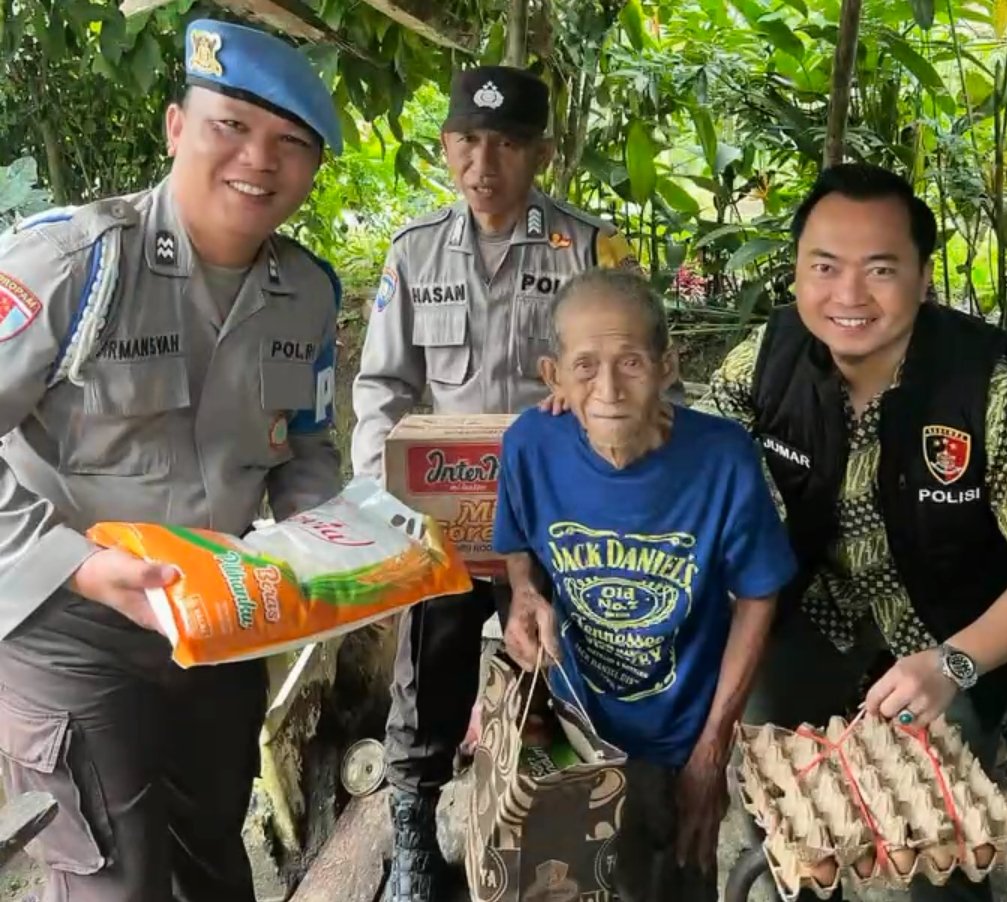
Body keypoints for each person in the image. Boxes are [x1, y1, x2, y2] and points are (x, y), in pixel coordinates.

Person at [0, 20, 342, 902]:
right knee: (116, 878)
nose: (259, 161)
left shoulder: (304, 292)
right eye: (231, 125)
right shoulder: (71, 264)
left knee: (213, 857)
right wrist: (78, 566)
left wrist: (334, 542)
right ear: (175, 127)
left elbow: (302, 443)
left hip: (220, 615)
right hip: (69, 625)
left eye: (291, 143)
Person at [699, 163, 1007, 901]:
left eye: (880, 269)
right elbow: (685, 458)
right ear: (798, 273)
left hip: (951, 638)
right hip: (806, 620)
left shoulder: (985, 389)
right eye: (825, 267)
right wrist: (592, 401)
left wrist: (955, 663)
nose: (848, 296)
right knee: (785, 819)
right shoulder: (767, 363)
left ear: (923, 276)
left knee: (940, 841)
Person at [352, 66, 657, 900]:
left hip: (557, 515)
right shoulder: (415, 254)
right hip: (448, 514)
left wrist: (594, 389)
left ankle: (573, 832)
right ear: (447, 146)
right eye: (467, 140)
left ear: (542, 154)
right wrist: (387, 498)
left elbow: (634, 368)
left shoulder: (589, 251)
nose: (484, 161)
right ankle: (415, 844)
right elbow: (381, 390)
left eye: (508, 143)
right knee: (429, 669)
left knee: (572, 669)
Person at [495, 269, 797, 901]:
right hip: (580, 727)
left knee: (678, 878)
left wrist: (712, 752)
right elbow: (519, 539)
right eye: (585, 366)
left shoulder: (722, 459)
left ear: (666, 366)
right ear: (553, 377)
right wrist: (525, 593)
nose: (607, 389)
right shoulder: (530, 445)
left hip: (680, 732)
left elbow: (759, 594)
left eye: (630, 362)